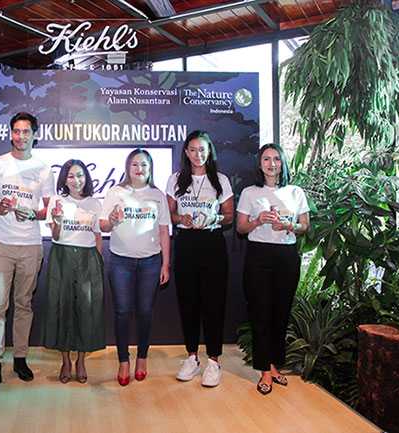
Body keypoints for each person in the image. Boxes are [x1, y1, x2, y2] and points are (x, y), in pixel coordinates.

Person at [0, 112, 55, 395]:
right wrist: (0, 209)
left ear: (35, 135)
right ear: (10, 134)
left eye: (26, 131)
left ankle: (20, 358)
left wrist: (33, 213)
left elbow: (49, 209)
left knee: (23, 304)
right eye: (16, 131)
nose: (21, 136)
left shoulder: (44, 169)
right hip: (1, 244)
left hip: (31, 245)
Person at [236, 143, 310, 395]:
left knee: (281, 314)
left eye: (276, 159)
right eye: (266, 159)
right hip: (258, 256)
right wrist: (258, 221)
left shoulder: (295, 191)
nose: (271, 164)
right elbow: (240, 228)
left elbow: (304, 226)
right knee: (260, 314)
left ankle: (274, 365)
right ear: (260, 164)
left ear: (282, 163)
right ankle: (264, 371)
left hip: (286, 256)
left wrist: (289, 226)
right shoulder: (250, 192)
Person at [166, 131, 234, 387]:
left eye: (202, 149)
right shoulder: (175, 179)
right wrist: (180, 219)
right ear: (186, 152)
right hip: (185, 243)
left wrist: (215, 218)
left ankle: (214, 361)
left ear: (209, 151)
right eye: (193, 150)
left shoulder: (220, 180)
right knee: (188, 302)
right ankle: (192, 357)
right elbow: (169, 215)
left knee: (214, 303)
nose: (198, 154)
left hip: (212, 243)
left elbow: (229, 215)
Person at [100, 148, 170, 386]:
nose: (139, 169)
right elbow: (103, 225)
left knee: (145, 312)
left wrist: (166, 264)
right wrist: (112, 220)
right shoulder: (115, 192)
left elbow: (164, 231)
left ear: (150, 169)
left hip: (151, 262)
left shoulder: (158, 195)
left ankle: (142, 357)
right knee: (121, 312)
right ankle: (123, 361)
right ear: (127, 168)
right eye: (135, 165)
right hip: (121, 261)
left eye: (144, 165)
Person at [41, 159, 105, 384]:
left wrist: (98, 261)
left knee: (86, 309)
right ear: (64, 180)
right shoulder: (57, 201)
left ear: (86, 177)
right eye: (71, 176)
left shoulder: (95, 203)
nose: (76, 180)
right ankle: (66, 361)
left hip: (88, 259)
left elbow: (97, 235)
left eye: (80, 175)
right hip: (62, 258)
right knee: (62, 307)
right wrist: (57, 221)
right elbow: (55, 235)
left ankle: (81, 360)